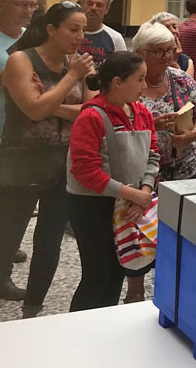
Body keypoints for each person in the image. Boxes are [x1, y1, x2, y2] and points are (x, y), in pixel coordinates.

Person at [0, 2, 92, 321]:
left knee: (51, 239)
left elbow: (90, 111)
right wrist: (70, 79)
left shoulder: (77, 64)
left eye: (83, 30)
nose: (79, 37)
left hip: (63, 163)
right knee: (4, 243)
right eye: (73, 29)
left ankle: (32, 311)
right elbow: (31, 111)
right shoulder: (21, 60)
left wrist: (49, 102)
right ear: (51, 29)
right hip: (22, 164)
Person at [65, 51, 158, 312]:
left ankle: (104, 326)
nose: (144, 86)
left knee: (118, 270)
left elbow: (153, 155)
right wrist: (131, 193)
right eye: (139, 79)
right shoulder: (92, 117)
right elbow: (84, 171)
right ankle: (78, 331)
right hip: (92, 206)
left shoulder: (141, 112)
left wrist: (145, 191)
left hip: (129, 203)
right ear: (117, 82)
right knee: (97, 273)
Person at [0, 0, 37, 234]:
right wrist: (3, 76)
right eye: (22, 5)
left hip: (20, 136)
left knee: (10, 207)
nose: (28, 10)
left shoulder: (31, 39)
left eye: (32, 5)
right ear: (0, 5)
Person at [132, 22, 196, 183]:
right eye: (158, 51)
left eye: (169, 50)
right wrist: (150, 126)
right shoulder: (128, 83)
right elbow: (115, 127)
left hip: (184, 171)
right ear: (140, 53)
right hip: (142, 173)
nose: (167, 56)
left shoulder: (180, 78)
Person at [78, 0, 127, 66]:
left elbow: (123, 68)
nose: (93, 8)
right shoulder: (68, 33)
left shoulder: (116, 38)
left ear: (107, 9)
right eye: (89, 3)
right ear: (82, 5)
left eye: (99, 5)